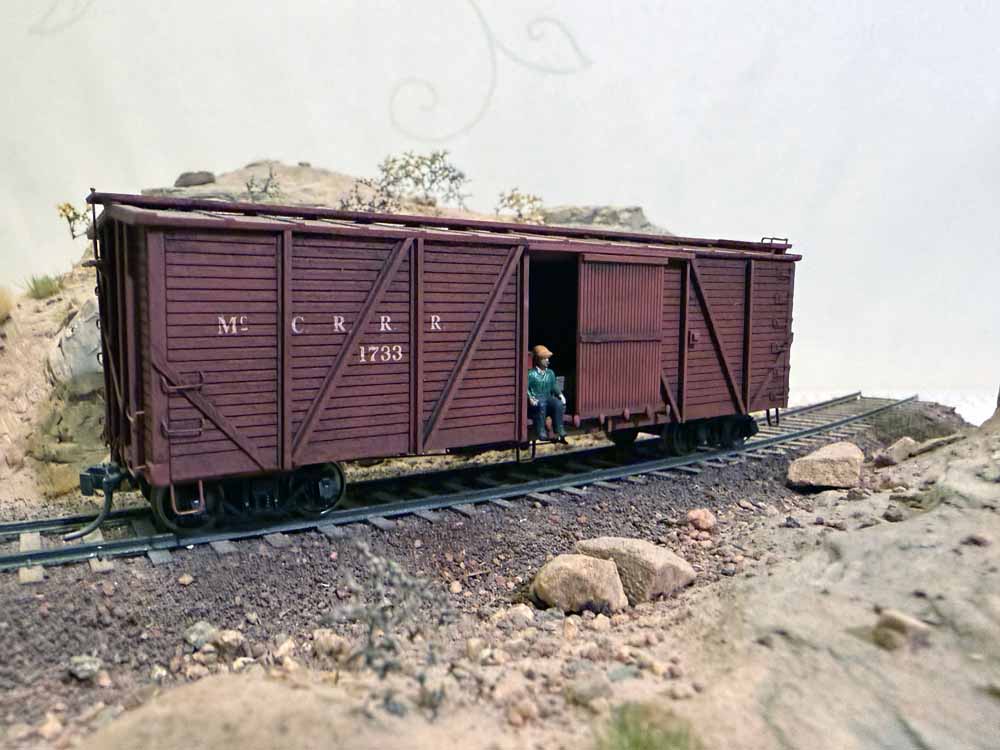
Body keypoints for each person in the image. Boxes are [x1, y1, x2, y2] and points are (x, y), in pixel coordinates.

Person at [527, 344, 567, 442]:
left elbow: (554, 385)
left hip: (548, 397)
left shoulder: (550, 373)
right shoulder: (531, 374)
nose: (547, 361)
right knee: (541, 404)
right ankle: (541, 430)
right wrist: (530, 398)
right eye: (545, 358)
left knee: (558, 404)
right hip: (537, 398)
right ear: (538, 360)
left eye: (548, 358)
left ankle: (559, 428)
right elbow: (526, 388)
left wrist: (560, 395)